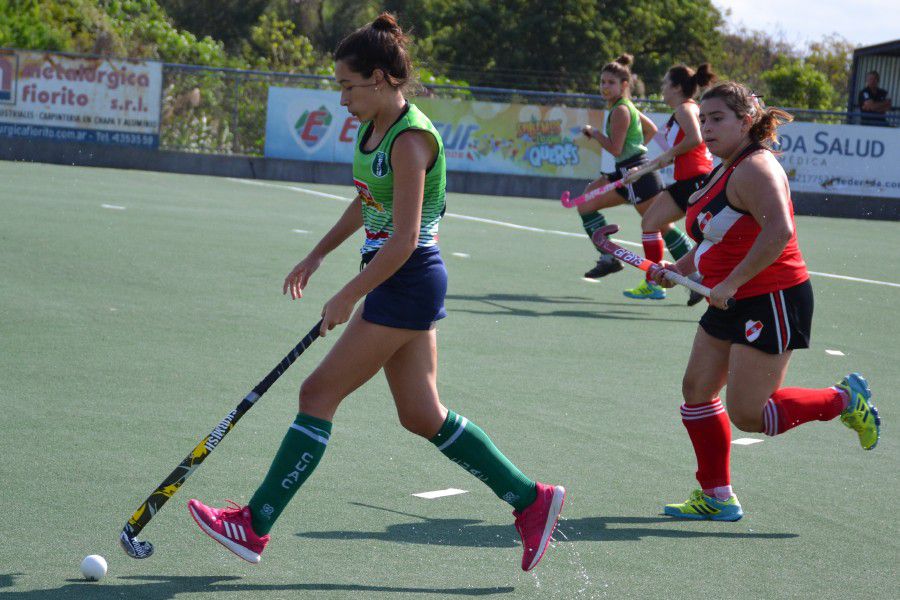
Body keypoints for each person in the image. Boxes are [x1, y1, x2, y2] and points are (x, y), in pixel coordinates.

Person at [186, 13, 565, 571]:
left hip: (407, 278)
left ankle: (255, 523)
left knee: (316, 395)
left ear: (383, 77)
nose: (342, 99)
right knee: (421, 414)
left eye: (347, 86)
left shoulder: (411, 140)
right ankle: (532, 501)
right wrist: (318, 253)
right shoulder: (371, 131)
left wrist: (347, 295)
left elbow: (406, 239)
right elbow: (368, 200)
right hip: (395, 277)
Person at [651, 82, 881, 521]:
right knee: (696, 391)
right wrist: (681, 269)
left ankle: (844, 400)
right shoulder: (722, 167)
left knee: (750, 414)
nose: (707, 127)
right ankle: (717, 497)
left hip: (771, 297)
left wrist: (732, 283)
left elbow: (779, 232)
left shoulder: (755, 168)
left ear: (747, 120)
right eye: (703, 120)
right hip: (729, 297)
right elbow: (715, 237)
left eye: (717, 119)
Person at [578, 55, 695, 299]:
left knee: (661, 227)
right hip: (629, 171)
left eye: (610, 82)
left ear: (624, 85)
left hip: (637, 176)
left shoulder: (621, 110)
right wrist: (637, 148)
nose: (604, 86)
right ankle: (609, 257)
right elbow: (651, 129)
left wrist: (595, 133)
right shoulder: (623, 106)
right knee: (586, 202)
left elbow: (616, 149)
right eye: (602, 82)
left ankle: (693, 278)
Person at [635, 63, 717, 306]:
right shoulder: (684, 109)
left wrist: (663, 157)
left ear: (677, 87)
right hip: (688, 180)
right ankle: (695, 281)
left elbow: (696, 138)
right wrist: (642, 170)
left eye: (665, 84)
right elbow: (675, 153)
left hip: (696, 180)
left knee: (652, 223)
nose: (662, 89)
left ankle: (654, 282)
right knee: (653, 222)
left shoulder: (685, 109)